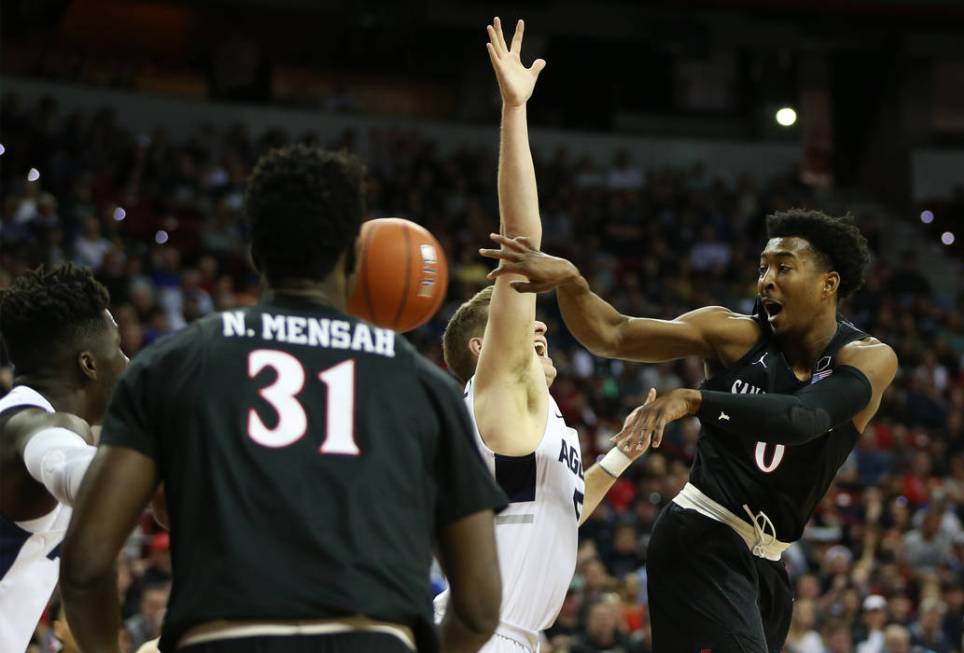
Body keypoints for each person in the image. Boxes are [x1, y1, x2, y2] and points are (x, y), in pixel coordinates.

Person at [60, 145, 507, 653]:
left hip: (227, 638)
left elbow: (87, 563)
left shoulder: (173, 363)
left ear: (254, 251)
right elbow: (479, 603)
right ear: (354, 257)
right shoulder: (427, 388)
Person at [480, 208, 898, 652]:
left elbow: (803, 418)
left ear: (828, 284)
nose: (766, 280)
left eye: (783, 268)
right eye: (763, 268)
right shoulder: (732, 334)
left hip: (769, 563)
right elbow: (613, 334)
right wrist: (572, 283)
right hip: (701, 535)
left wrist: (695, 399)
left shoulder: (867, 358)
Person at [437, 18, 645, 653]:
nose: (540, 329)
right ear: (485, 348)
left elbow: (560, 512)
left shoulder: (536, 424)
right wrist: (514, 110)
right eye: (523, 328)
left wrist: (620, 457)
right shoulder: (498, 389)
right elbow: (522, 248)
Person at [0, 263, 128, 653]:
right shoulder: (34, 426)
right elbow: (64, 460)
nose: (127, 362)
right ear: (88, 364)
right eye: (118, 348)